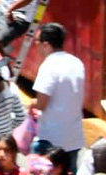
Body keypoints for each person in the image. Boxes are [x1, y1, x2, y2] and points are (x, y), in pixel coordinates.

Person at [32, 23, 86, 164]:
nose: (36, 45)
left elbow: (41, 104)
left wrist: (32, 104)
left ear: (46, 45)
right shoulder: (76, 63)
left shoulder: (48, 66)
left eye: (37, 42)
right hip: (74, 137)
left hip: (51, 138)